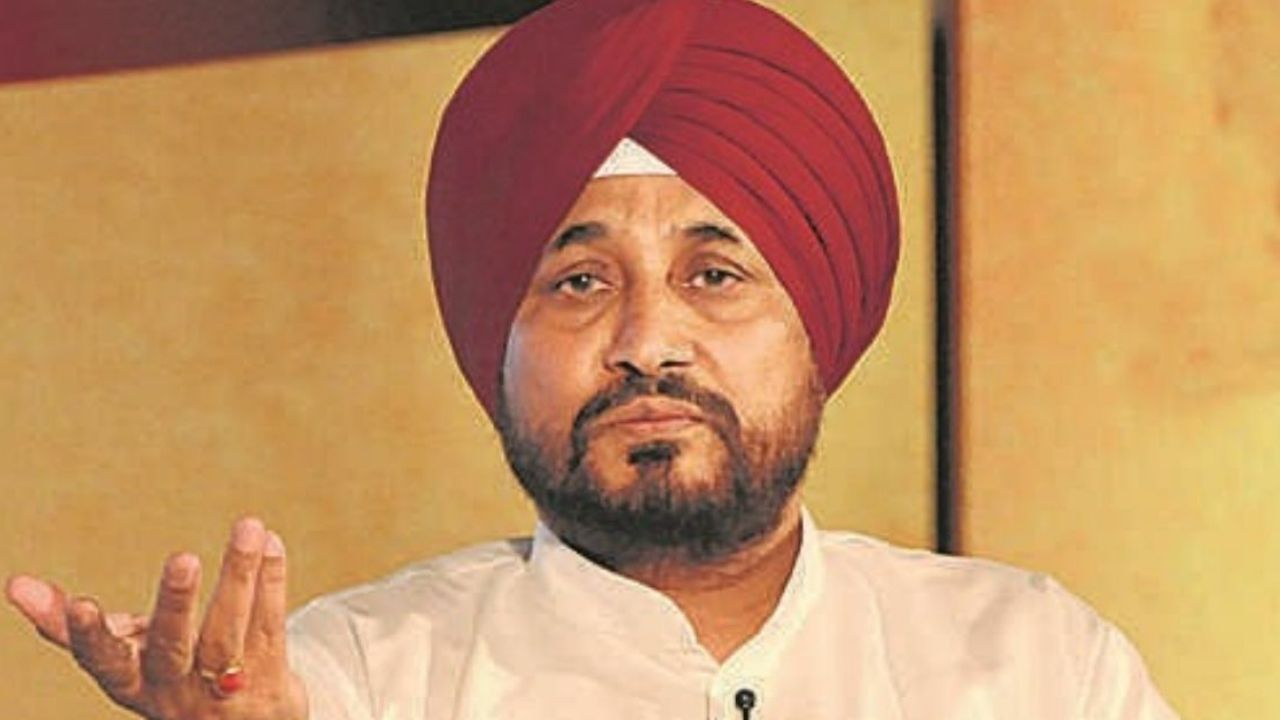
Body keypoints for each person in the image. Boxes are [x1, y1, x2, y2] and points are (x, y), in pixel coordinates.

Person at [6, 0, 1179, 718]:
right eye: (578, 283)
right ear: (495, 341)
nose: (646, 343)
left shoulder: (1031, 665)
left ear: (818, 325)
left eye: (713, 276)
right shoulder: (347, 682)